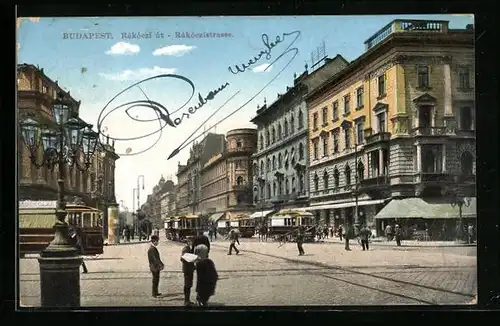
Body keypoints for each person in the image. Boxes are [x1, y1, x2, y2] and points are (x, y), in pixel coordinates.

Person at [180, 237, 196, 306]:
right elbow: (182, 258)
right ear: (188, 242)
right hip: (187, 270)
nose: (192, 242)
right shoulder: (186, 249)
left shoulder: (189, 248)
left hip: (189, 269)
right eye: (191, 241)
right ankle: (186, 301)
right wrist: (191, 259)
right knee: (187, 285)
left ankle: (187, 300)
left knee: (189, 285)